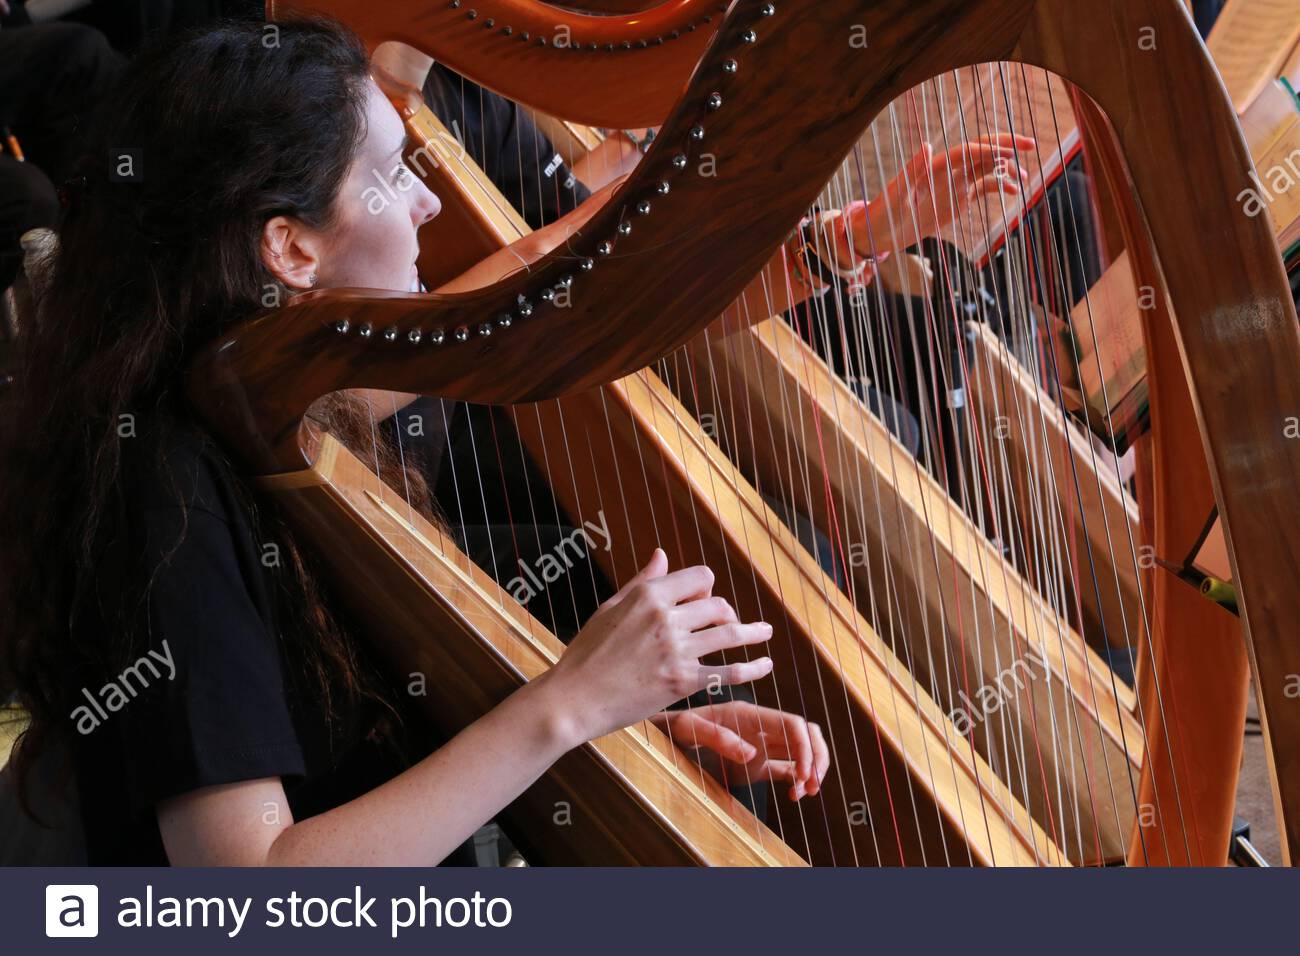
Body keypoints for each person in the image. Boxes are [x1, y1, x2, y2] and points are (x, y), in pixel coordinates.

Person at [0, 19, 831, 866]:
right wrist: (571, 703)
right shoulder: (165, 486)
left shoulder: (276, 402)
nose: (430, 196)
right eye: (394, 174)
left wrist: (637, 731)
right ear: (290, 249)